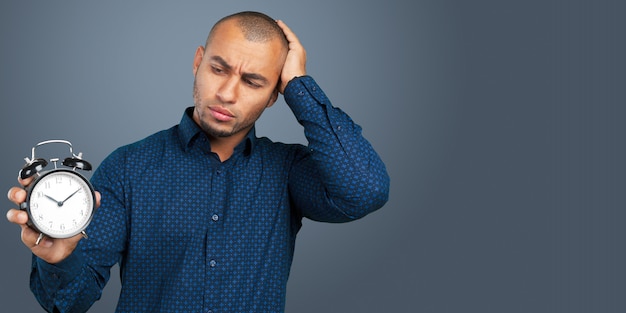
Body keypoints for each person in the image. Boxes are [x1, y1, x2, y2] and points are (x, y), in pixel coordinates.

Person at [6, 11, 389, 313]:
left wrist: (300, 87)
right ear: (198, 61)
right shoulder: (128, 167)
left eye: (254, 82)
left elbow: (366, 189)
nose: (226, 92)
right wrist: (60, 260)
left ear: (275, 95)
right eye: (218, 69)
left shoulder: (287, 171)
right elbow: (67, 303)